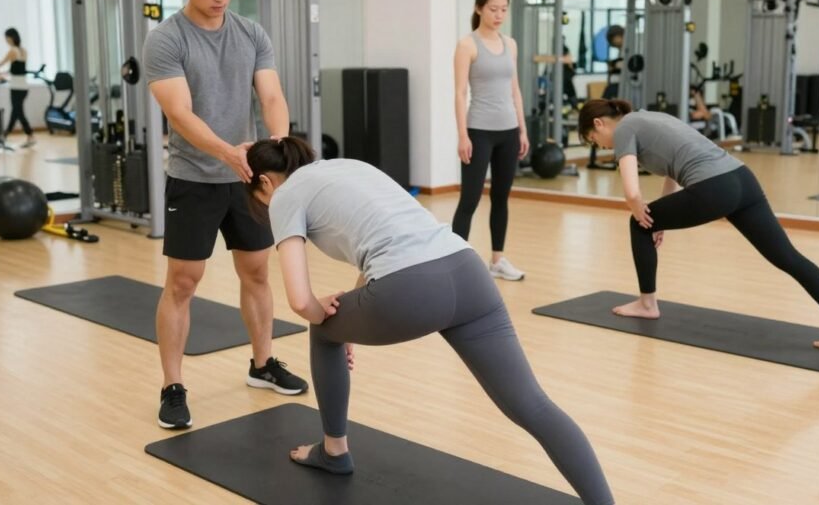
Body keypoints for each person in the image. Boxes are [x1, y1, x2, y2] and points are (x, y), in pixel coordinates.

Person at [245, 137, 615, 505]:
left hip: (412, 290)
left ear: (264, 182)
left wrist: (326, 318)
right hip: (468, 274)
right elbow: (382, 248)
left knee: (322, 332)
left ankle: (334, 451)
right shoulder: (350, 166)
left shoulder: (285, 195)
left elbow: (299, 300)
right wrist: (354, 318)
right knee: (532, 405)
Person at [142, 0, 307, 430]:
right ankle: (173, 387)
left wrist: (276, 148)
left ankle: (262, 365)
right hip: (195, 177)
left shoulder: (252, 34)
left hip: (247, 177)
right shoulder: (167, 39)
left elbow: (272, 95)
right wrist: (226, 152)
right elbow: (179, 112)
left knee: (257, 272)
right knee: (183, 283)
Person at [577, 99, 819, 351]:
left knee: (636, 223)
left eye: (594, 139)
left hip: (714, 187)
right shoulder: (651, 117)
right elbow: (672, 172)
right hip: (742, 179)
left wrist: (643, 215)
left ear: (600, 123)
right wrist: (660, 219)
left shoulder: (626, 128)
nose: (601, 146)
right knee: (788, 257)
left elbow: (631, 193)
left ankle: (647, 304)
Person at [452, 0, 529, 281]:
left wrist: (522, 130)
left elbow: (515, 90)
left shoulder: (510, 44)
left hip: (508, 131)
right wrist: (462, 135)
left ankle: (497, 260)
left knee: (501, 197)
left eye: (503, 10)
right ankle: (457, 264)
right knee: (469, 200)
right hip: (479, 131)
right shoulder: (467, 45)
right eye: (493, 9)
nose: (499, 15)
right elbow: (459, 93)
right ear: (479, 9)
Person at [0, 28, 34, 147]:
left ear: (10, 37)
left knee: (18, 112)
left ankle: (29, 135)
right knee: (16, 112)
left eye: (6, 38)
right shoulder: (23, 51)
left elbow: (1, 63)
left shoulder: (12, 51)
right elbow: (15, 70)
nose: (6, 40)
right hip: (23, 87)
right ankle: (5, 135)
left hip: (16, 88)